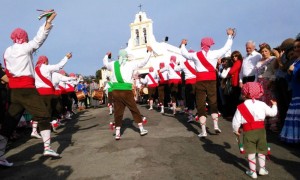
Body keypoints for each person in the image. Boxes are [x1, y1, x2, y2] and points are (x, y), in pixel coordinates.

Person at [0, 11, 58, 167]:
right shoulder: (25, 48)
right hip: (27, 89)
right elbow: (40, 38)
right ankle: (47, 148)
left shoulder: (7, 51)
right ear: (24, 37)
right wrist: (49, 21)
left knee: (9, 123)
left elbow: (7, 71)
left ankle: (0, 155)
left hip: (13, 90)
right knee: (43, 115)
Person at [180, 28, 235, 137]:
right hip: (211, 80)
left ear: (201, 44)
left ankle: (204, 131)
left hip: (200, 80)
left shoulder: (196, 55)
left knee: (200, 104)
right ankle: (215, 126)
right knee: (213, 102)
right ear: (210, 45)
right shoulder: (215, 53)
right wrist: (229, 36)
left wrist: (182, 44)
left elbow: (185, 54)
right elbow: (226, 47)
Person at [103, 47, 153, 140]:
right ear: (126, 56)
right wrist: (149, 52)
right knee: (133, 109)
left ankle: (117, 133)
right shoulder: (131, 64)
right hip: (126, 91)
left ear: (118, 57)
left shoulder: (113, 64)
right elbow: (143, 63)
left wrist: (107, 55)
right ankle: (141, 129)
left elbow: (105, 63)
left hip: (116, 91)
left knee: (118, 111)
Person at [232, 82, 277, 179]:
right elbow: (273, 113)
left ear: (244, 93)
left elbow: (235, 122)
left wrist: (236, 130)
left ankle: (253, 172)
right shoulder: (262, 104)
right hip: (261, 132)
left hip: (248, 132)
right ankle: (262, 169)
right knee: (262, 150)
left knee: (251, 151)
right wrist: (275, 105)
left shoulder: (241, 107)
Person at [33, 53, 72, 138]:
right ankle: (52, 124)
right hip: (48, 92)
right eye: (47, 61)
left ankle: (34, 130)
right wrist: (66, 57)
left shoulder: (35, 69)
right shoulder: (46, 67)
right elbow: (59, 66)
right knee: (53, 109)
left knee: (39, 111)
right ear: (45, 61)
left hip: (38, 93)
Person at [280, 35, 300, 143]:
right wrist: (289, 72)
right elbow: (289, 78)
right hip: (295, 91)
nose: (296, 49)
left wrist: (294, 71)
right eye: (294, 47)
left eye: (298, 47)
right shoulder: (295, 62)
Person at [255, 43, 279, 131]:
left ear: (269, 51)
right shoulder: (259, 62)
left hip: (268, 82)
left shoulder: (272, 59)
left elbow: (275, 71)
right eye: (262, 51)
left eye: (266, 51)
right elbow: (257, 75)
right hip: (260, 83)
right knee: (262, 103)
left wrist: (271, 80)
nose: (264, 53)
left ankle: (273, 124)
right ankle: (263, 123)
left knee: (270, 102)